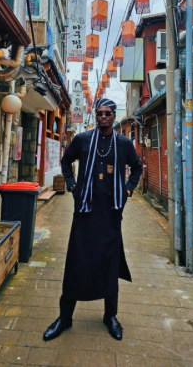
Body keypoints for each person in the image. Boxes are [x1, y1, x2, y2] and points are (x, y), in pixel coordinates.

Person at [43, 98, 142, 342]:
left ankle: (110, 316)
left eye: (107, 113)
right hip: (85, 212)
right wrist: (72, 186)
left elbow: (137, 167)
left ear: (114, 115)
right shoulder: (82, 140)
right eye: (99, 113)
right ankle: (65, 317)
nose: (103, 117)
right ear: (95, 115)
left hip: (111, 214)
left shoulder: (123, 143)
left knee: (110, 264)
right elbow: (66, 161)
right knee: (76, 263)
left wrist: (128, 189)